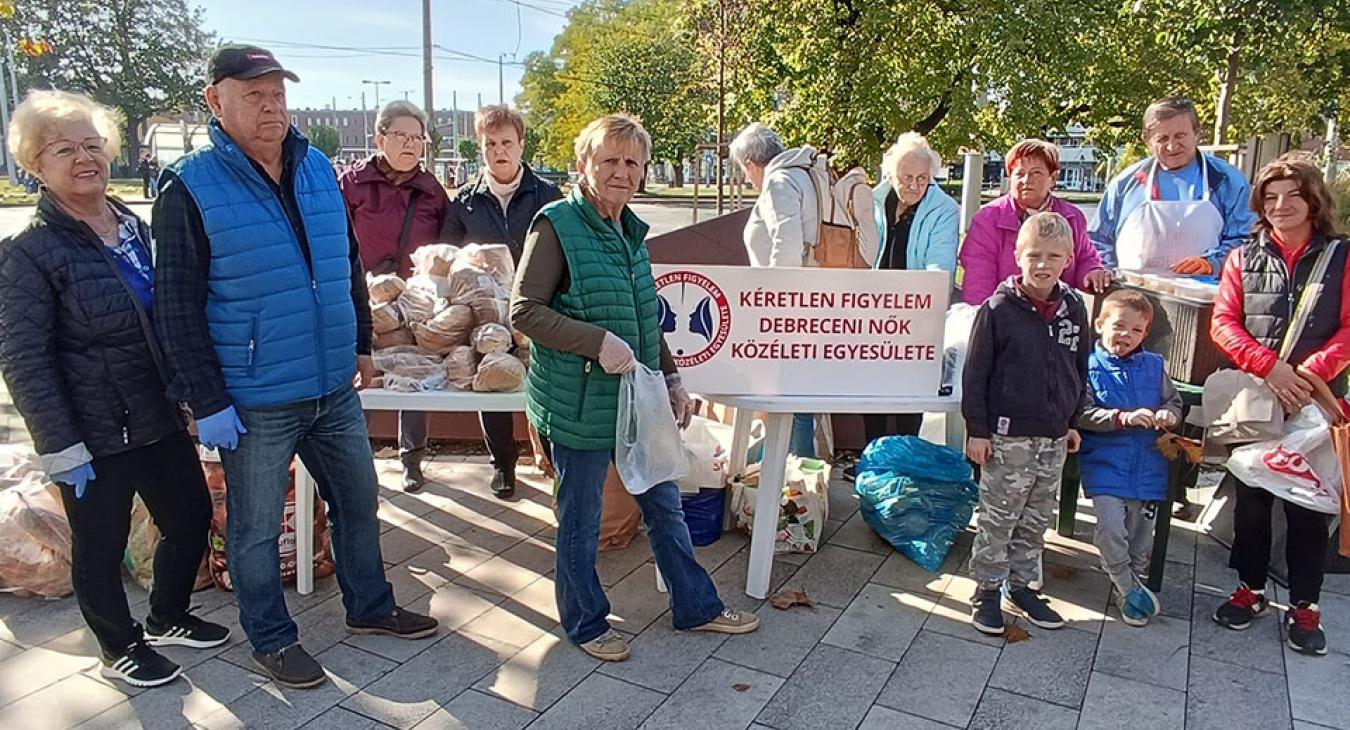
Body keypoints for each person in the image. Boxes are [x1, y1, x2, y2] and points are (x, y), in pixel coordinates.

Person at [152, 44, 437, 689]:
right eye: (253, 93)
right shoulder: (190, 184)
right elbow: (174, 304)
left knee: (359, 502)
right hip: (253, 395)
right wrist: (205, 398)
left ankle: (370, 607)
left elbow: (345, 268)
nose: (270, 104)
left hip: (331, 383)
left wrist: (361, 342)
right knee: (254, 531)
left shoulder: (314, 170)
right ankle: (273, 639)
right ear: (214, 101)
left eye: (277, 91)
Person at [0, 90, 230, 688]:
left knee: (188, 516)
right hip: (92, 429)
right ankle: (119, 645)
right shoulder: (28, 255)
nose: (84, 158)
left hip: (154, 411)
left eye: (92, 144)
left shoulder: (134, 227)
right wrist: (60, 446)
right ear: (35, 166)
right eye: (63, 149)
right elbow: (24, 359)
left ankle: (168, 615)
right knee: (99, 546)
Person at [511, 113, 759, 661]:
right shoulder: (556, 225)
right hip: (578, 403)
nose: (621, 171)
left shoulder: (630, 231)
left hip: (637, 399)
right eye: (609, 160)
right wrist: (595, 341)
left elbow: (647, 317)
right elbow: (524, 310)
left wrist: (671, 377)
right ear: (584, 165)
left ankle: (696, 606)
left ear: (642, 171)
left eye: (632, 162)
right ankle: (585, 622)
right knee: (581, 519)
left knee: (664, 503)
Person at [1208, 157, 1350, 656]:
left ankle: (1305, 604)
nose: (1280, 206)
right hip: (1259, 395)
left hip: (1315, 401)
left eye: (1292, 195)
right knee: (1252, 501)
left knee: (1309, 506)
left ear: (1314, 200)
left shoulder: (1342, 256)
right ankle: (1249, 589)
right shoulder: (1243, 258)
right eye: (1270, 198)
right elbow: (1224, 323)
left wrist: (1310, 375)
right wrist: (1271, 368)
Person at [962, 211, 1088, 636]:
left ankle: (1022, 585)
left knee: (1036, 517)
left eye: (1054, 256)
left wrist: (1073, 421)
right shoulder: (999, 309)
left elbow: (1079, 367)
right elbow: (976, 373)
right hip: (1007, 434)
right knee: (1000, 516)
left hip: (1053, 435)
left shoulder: (1074, 308)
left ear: (1068, 258)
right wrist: (977, 430)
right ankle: (986, 588)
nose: (1043, 264)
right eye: (1033, 254)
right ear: (1017, 255)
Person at [439, 105, 561, 498]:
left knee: (545, 384)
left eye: (507, 142)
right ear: (481, 147)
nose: (499, 150)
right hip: (485, 314)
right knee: (490, 381)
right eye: (490, 143)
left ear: (522, 144)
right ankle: (503, 465)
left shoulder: (547, 195)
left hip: (537, 307)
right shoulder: (465, 202)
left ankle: (553, 461)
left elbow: (564, 253)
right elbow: (449, 259)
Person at [730, 122, 867, 457]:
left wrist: (775, 305)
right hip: (819, 299)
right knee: (799, 398)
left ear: (750, 165)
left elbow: (786, 245)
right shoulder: (806, 174)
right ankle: (798, 477)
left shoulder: (779, 182)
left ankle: (787, 483)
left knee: (787, 398)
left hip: (790, 308)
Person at [339, 100, 451, 493]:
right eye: (401, 136)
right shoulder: (352, 184)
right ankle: (354, 462)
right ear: (379, 137)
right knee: (358, 378)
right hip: (360, 301)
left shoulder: (433, 190)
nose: (410, 144)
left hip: (416, 304)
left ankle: (412, 459)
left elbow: (447, 248)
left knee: (413, 376)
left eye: (417, 138)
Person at [1076, 290, 1182, 627]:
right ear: (1100, 325)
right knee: (1109, 528)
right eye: (1119, 326)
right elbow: (1082, 413)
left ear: (1145, 334)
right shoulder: (1088, 366)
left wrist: (1167, 415)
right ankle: (1126, 584)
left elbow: (1175, 403)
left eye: (1136, 331)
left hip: (1149, 465)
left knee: (1140, 534)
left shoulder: (1154, 366)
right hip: (1105, 463)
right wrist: (1122, 418)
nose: (1126, 336)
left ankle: (1132, 589)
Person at [853, 132, 960, 459]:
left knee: (911, 395)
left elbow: (939, 267)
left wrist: (919, 304)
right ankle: (873, 458)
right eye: (906, 177)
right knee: (870, 392)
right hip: (871, 311)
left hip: (916, 315)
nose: (914, 185)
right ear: (889, 175)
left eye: (923, 178)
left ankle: (905, 461)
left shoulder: (944, 209)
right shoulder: (869, 201)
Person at [1090, 96, 1257, 275]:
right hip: (1132, 294)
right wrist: (1105, 274)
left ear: (1197, 133)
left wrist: (1212, 263)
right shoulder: (1126, 184)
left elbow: (1246, 239)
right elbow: (1096, 241)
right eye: (1162, 139)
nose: (1172, 146)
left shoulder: (1226, 181)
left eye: (1180, 136)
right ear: (1147, 141)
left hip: (1204, 295)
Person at [960, 139, 1109, 304]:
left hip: (1058, 313)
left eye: (1036, 173)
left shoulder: (1072, 218)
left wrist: (1092, 272)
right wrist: (985, 318)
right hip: (1004, 312)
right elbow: (978, 277)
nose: (1026, 180)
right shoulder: (988, 219)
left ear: (1052, 179)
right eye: (1019, 173)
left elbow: (1085, 258)